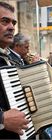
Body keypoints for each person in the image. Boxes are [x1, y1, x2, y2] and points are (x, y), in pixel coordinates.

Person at [0, 2, 29, 139]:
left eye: (13, 23)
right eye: (5, 21)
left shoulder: (13, 57)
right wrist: (2, 119)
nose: (11, 27)